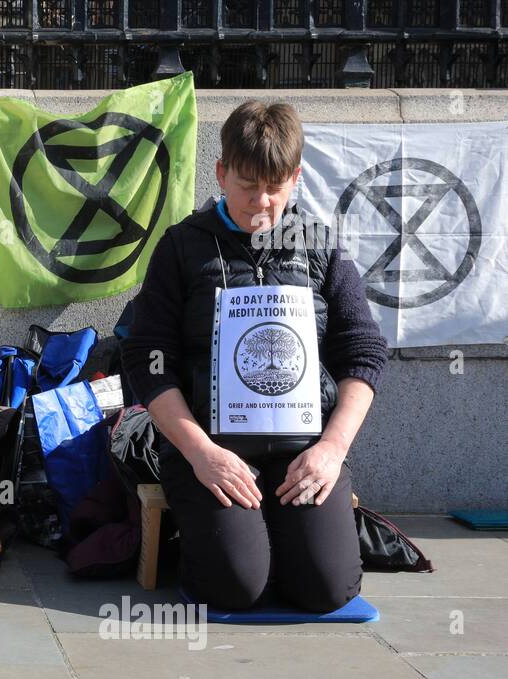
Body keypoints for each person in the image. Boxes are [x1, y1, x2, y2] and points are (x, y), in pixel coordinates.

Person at [122, 100, 388, 612]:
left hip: (303, 449)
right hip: (212, 448)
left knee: (327, 590)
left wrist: (331, 449)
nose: (261, 202)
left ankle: (281, 540)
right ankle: (226, 543)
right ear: (221, 173)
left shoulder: (321, 246)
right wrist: (201, 454)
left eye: (275, 185)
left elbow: (364, 352)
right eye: (247, 185)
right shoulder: (182, 248)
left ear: (296, 178)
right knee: (237, 587)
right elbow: (148, 358)